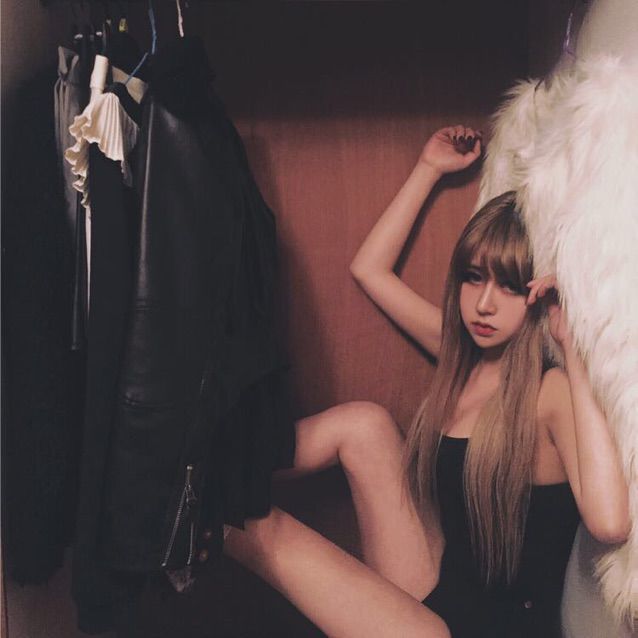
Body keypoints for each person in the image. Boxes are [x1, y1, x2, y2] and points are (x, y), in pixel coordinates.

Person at [223, 125, 630, 637]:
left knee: (250, 520)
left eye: (509, 286)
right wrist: (429, 169)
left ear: (538, 294)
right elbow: (370, 269)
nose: (484, 304)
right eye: (474, 277)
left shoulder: (549, 392)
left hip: (485, 631)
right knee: (365, 425)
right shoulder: (461, 356)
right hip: (439, 601)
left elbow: (610, 522)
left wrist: (572, 346)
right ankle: (215, 467)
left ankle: (192, 495)